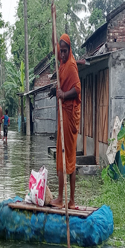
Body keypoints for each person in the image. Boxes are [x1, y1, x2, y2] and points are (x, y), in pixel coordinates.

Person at [49, 33, 81, 209]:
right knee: (61, 156)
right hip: (63, 114)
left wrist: (63, 94)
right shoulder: (61, 64)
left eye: (64, 51)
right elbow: (62, 86)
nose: (61, 54)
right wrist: (56, 92)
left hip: (69, 115)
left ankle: (70, 200)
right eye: (60, 51)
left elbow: (77, 89)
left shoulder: (71, 66)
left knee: (68, 157)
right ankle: (61, 197)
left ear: (69, 51)